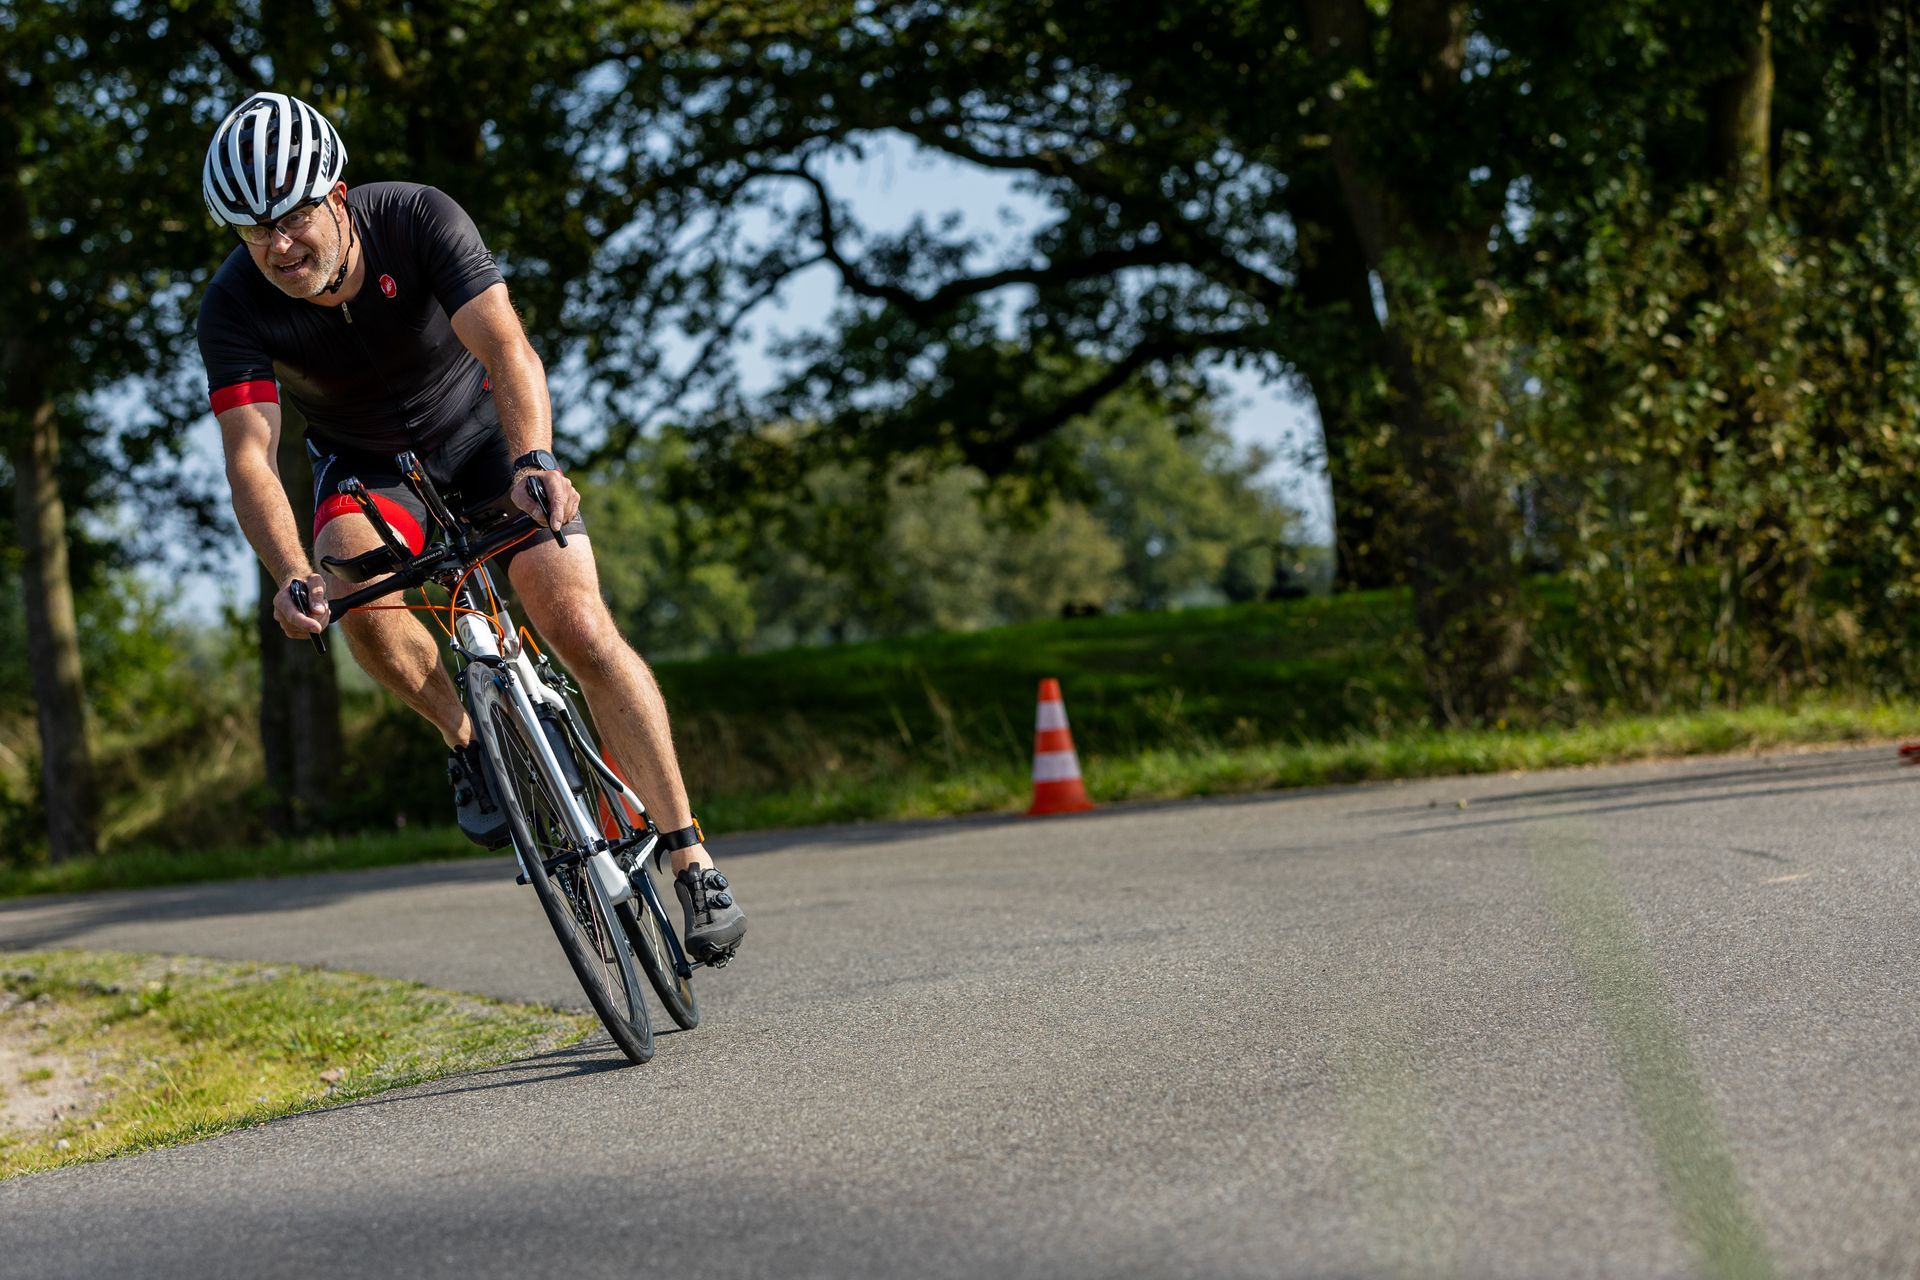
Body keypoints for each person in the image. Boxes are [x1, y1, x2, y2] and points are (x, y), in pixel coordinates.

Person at [195, 92, 745, 963]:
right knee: (347, 577)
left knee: (580, 627)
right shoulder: (232, 305)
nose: (278, 247)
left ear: (336, 194)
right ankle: (468, 739)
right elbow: (252, 458)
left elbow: (508, 349)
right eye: (253, 230)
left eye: (292, 218)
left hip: (486, 442)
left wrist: (535, 460)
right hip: (371, 469)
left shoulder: (418, 217)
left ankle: (690, 857)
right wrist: (291, 573)